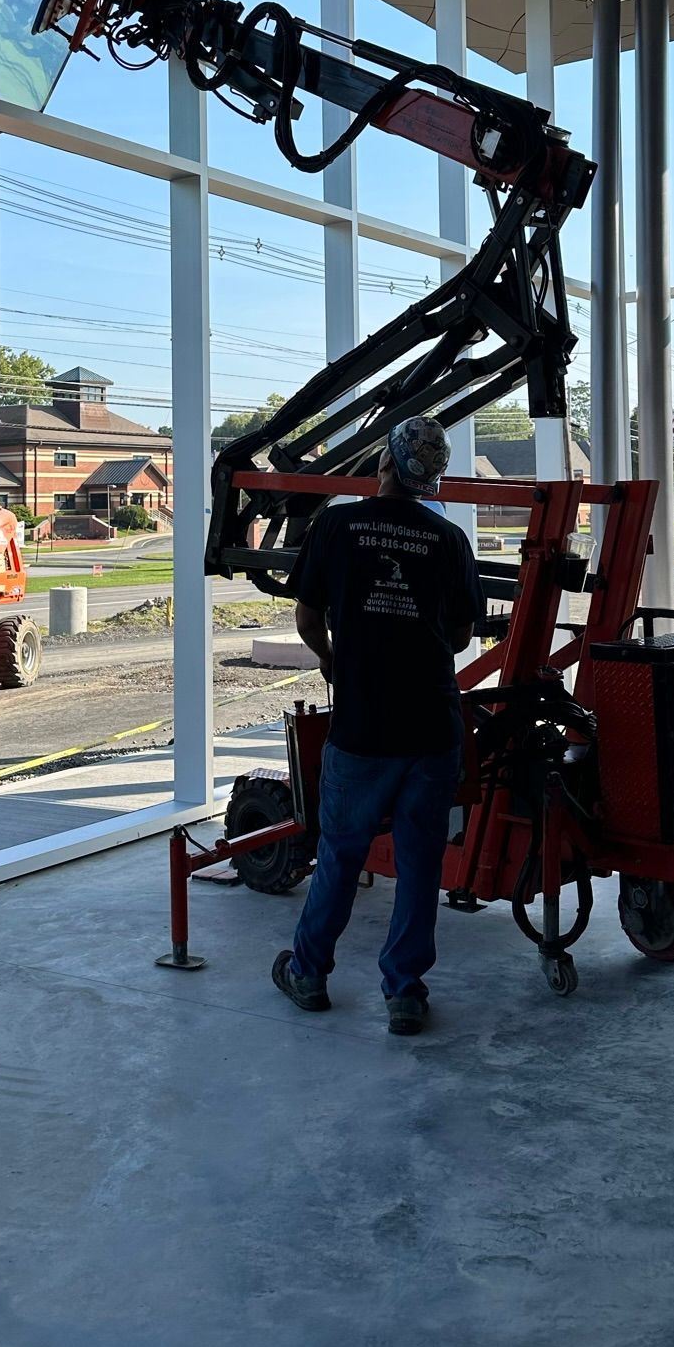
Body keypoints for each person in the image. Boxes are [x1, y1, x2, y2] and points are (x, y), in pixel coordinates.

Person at [276, 415, 482, 1036]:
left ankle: (309, 974)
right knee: (421, 862)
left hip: (362, 726)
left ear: (386, 465)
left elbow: (309, 617)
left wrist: (335, 660)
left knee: (340, 854)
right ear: (433, 478)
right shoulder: (447, 540)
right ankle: (404, 993)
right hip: (431, 729)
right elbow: (463, 633)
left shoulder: (335, 525)